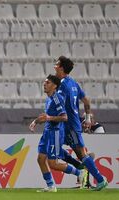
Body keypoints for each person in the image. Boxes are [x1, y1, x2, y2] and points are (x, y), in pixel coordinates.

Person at [54, 56, 108, 190]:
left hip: (70, 125)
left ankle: (100, 179)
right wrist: (88, 119)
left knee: (81, 154)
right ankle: (81, 169)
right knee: (56, 150)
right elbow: (87, 102)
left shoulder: (62, 85)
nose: (54, 66)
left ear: (61, 68)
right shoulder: (73, 83)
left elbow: (59, 104)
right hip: (68, 125)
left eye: (56, 64)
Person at [29, 75, 86, 192]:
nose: (44, 84)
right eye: (44, 82)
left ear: (55, 86)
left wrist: (48, 118)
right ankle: (50, 186)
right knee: (40, 159)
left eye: (48, 83)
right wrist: (35, 121)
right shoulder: (48, 98)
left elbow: (64, 117)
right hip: (47, 132)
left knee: (53, 164)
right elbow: (46, 117)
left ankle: (80, 173)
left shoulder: (57, 98)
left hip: (55, 133)